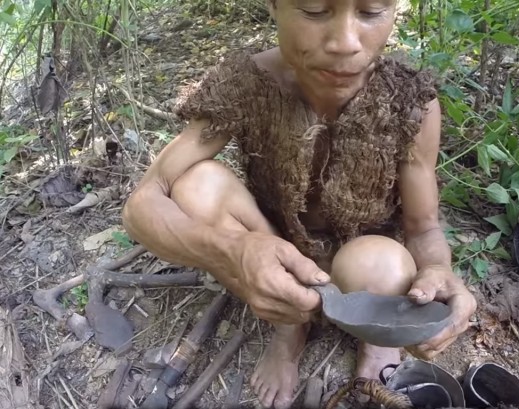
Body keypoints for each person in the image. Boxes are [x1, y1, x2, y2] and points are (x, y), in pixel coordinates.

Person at [121, 0, 477, 408]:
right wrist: (232, 252)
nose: (344, 42)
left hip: (364, 257)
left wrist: (436, 269)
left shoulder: (409, 101)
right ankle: (289, 327)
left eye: (372, 11)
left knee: (381, 268)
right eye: (312, 10)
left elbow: (423, 225)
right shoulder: (248, 83)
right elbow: (142, 204)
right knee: (196, 183)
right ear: (273, 5)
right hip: (277, 246)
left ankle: (376, 335)